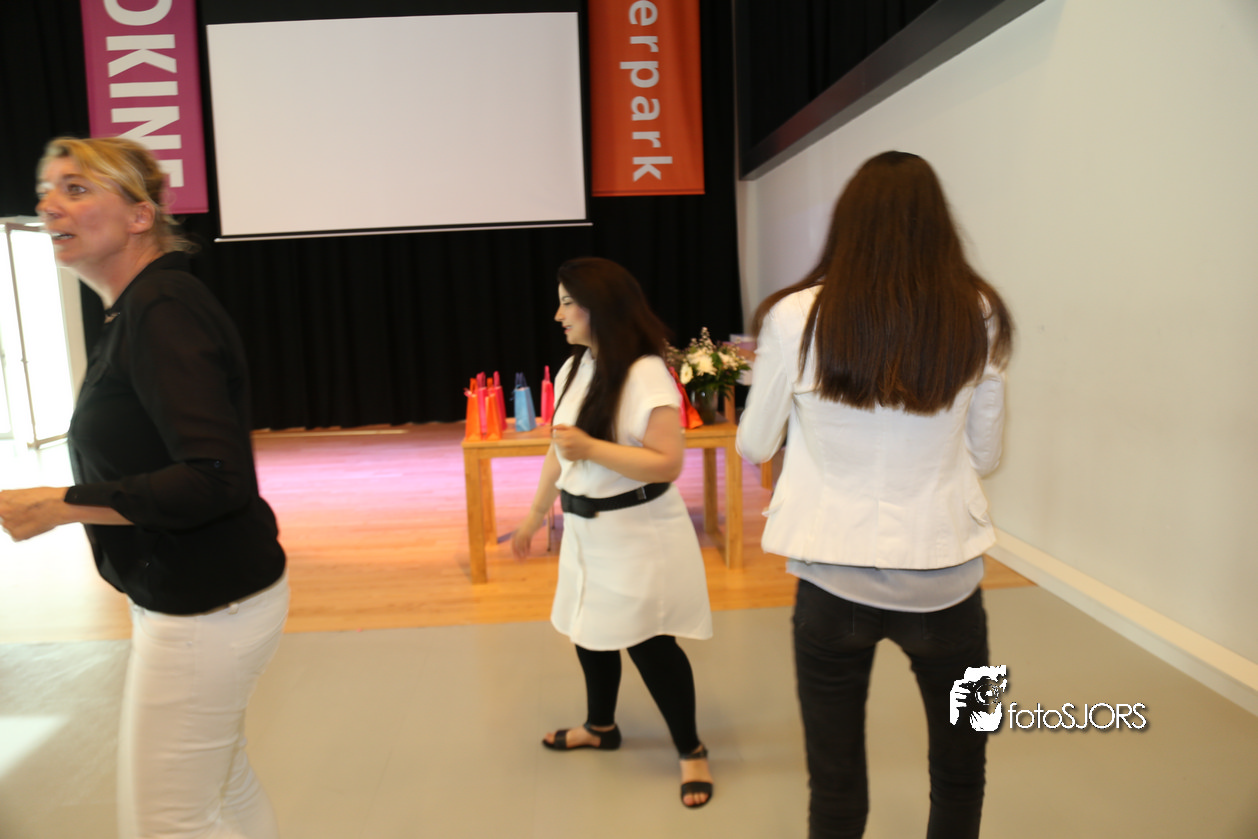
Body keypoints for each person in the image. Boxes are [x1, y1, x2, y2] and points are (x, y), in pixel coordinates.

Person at [0, 137, 288, 839]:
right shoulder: (138, 308)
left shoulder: (162, 310)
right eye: (45, 191)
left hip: (205, 606)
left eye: (75, 188)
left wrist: (59, 504)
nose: (48, 205)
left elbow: (212, 478)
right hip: (208, 596)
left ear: (139, 215)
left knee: (167, 822)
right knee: (223, 785)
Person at [736, 151, 1014, 838]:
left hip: (831, 581)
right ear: (937, 223)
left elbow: (755, 444)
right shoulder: (978, 311)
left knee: (833, 786)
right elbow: (986, 455)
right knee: (962, 771)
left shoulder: (793, 315)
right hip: (948, 583)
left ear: (849, 224)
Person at [511, 256, 715, 808]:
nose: (558, 315)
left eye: (567, 303)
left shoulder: (646, 373)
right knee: (589, 629)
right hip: (586, 529)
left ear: (599, 307)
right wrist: (534, 514)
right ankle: (601, 727)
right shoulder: (577, 366)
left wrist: (592, 448)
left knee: (650, 642)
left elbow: (668, 462)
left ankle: (691, 749)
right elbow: (560, 450)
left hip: (637, 532)